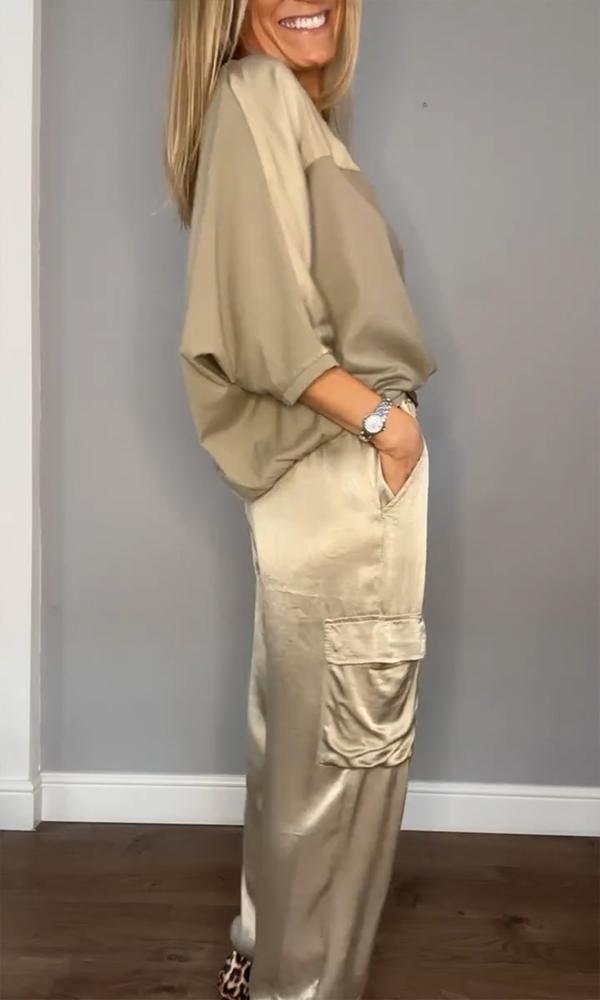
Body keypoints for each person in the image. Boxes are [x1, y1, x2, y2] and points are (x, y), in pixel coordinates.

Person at [164, 2, 438, 997]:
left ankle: (260, 964)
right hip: (341, 473)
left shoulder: (281, 106)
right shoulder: (257, 92)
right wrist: (386, 427)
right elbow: (262, 326)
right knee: (344, 773)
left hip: (322, 482)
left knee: (300, 757)